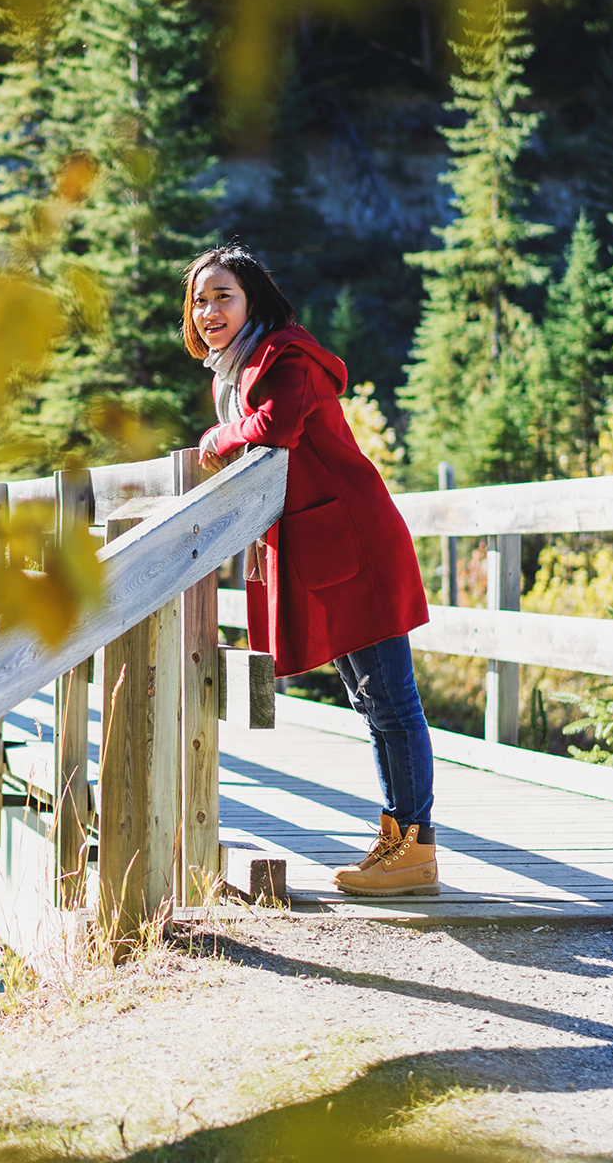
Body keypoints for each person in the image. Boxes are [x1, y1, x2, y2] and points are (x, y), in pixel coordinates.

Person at [182, 244, 440, 897]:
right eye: (199, 299)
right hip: (328, 551)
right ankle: (399, 839)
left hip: (355, 545)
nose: (209, 310)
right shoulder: (236, 371)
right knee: (371, 701)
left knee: (390, 701)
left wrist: (213, 441)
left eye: (223, 296)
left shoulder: (287, 358)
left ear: (254, 300)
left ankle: (416, 846)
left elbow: (280, 426)